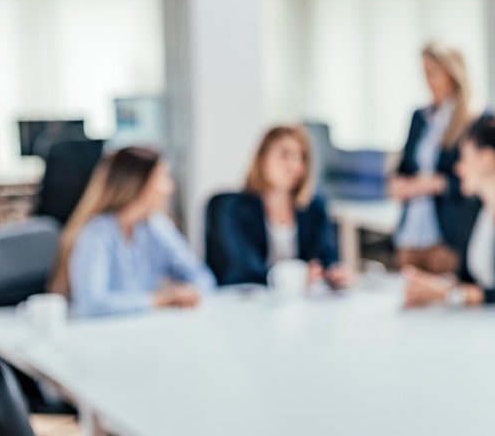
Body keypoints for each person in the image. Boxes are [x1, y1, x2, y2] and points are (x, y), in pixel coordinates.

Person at [403, 119, 495, 309]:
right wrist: (435, 286)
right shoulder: (474, 210)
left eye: (464, 158)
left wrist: (451, 294)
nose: (458, 169)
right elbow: (466, 278)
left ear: (488, 159)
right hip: (487, 324)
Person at [49, 146, 214, 318]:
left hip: (142, 327)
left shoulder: (157, 226)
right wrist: (159, 300)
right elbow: (92, 304)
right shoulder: (96, 233)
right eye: (163, 178)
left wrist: (189, 293)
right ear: (139, 184)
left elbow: (202, 277)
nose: (170, 188)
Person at [206, 125, 351, 288]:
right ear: (262, 158)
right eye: (284, 155)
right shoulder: (228, 208)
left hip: (299, 306)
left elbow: (326, 258)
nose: (295, 166)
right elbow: (241, 270)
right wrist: (297, 277)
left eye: (301, 157)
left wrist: (333, 273)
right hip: (244, 303)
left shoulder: (313, 207)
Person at [388, 41, 480, 275]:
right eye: (425, 73)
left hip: (446, 236)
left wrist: (436, 184)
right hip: (410, 235)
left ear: (452, 74)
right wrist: (398, 183)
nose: (428, 80)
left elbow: (476, 180)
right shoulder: (419, 117)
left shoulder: (473, 121)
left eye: (433, 73)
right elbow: (405, 167)